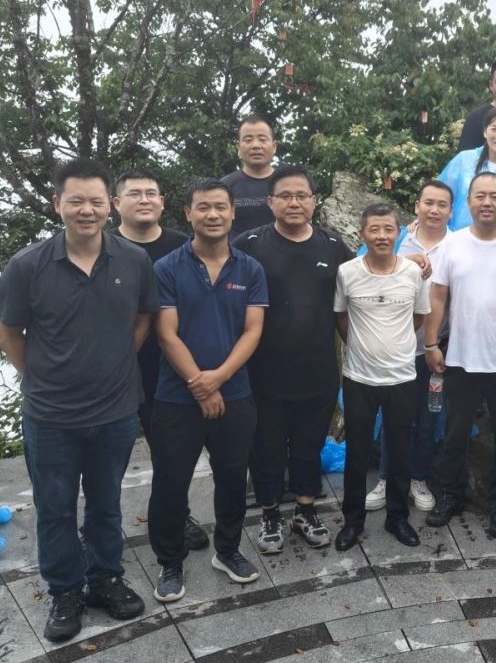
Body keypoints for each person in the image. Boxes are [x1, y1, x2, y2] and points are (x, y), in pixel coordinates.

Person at [0, 160, 159, 642]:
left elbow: (144, 320)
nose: (87, 210)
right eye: (76, 201)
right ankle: (65, 591)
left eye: (95, 201)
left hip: (115, 411)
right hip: (51, 417)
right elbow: (9, 332)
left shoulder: (133, 260)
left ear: (110, 205)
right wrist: (38, 376)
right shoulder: (28, 265)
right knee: (55, 507)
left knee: (106, 502)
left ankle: (105, 578)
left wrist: (114, 363)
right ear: (57, 204)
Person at [148, 178, 267, 603]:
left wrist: (217, 379)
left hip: (235, 392)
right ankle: (169, 562)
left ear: (233, 213)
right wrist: (201, 385)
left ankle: (228, 550)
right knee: (170, 481)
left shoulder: (250, 269)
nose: (212, 214)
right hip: (176, 396)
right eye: (203, 207)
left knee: (233, 477)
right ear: (188, 213)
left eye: (220, 207)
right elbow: (166, 333)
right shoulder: (166, 268)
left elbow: (252, 331)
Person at [234, 165, 352, 553]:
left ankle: (305, 509)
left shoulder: (332, 246)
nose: (294, 202)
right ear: (270, 202)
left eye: (302, 195)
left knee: (309, 445)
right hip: (263, 371)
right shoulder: (249, 244)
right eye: (285, 196)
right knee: (265, 447)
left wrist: (413, 263)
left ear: (314, 201)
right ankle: (270, 513)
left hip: (318, 369)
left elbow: (368, 278)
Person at [424, 172, 496, 537]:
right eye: (480, 196)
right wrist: (430, 343)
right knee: (454, 432)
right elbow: (438, 296)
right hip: (460, 357)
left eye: (495, 196)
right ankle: (450, 495)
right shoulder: (452, 244)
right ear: (468, 202)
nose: (487, 202)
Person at [111, 169, 209, 551]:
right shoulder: (102, 247)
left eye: (151, 193)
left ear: (163, 202)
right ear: (116, 203)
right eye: (134, 193)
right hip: (116, 369)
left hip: (169, 367)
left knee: (171, 453)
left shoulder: (183, 245)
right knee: (107, 457)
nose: (144, 199)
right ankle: (100, 529)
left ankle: (176, 515)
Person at [332, 204, 433, 550]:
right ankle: (352, 521)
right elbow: (341, 318)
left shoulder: (412, 272)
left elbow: (419, 317)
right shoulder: (347, 272)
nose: (381, 236)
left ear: (398, 233)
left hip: (402, 377)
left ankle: (397, 518)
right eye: (374, 229)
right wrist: (362, 348)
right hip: (359, 378)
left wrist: (394, 346)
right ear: (362, 234)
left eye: (388, 229)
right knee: (357, 453)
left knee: (400, 449)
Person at [365, 180, 454, 514]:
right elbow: (365, 274)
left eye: (442, 204)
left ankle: (418, 478)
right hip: (394, 348)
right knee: (393, 418)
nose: (434, 210)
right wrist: (402, 262)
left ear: (451, 211)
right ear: (417, 206)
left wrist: (436, 344)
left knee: (428, 417)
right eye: (428, 202)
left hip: (435, 349)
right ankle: (387, 478)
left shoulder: (458, 245)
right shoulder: (397, 239)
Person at [222, 115, 279, 237]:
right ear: (238, 147)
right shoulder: (224, 186)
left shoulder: (288, 184)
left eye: (262, 140)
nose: (255, 146)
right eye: (248, 140)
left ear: (274, 146)